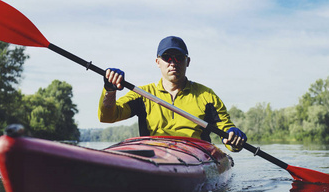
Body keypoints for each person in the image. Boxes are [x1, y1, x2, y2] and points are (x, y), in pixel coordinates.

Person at [98, 36, 247, 151]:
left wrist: (233, 138)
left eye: (179, 58)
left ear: (187, 61)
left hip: (197, 156)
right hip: (155, 155)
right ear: (157, 62)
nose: (173, 62)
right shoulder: (142, 94)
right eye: (167, 57)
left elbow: (226, 132)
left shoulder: (206, 96)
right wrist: (110, 90)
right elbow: (107, 117)